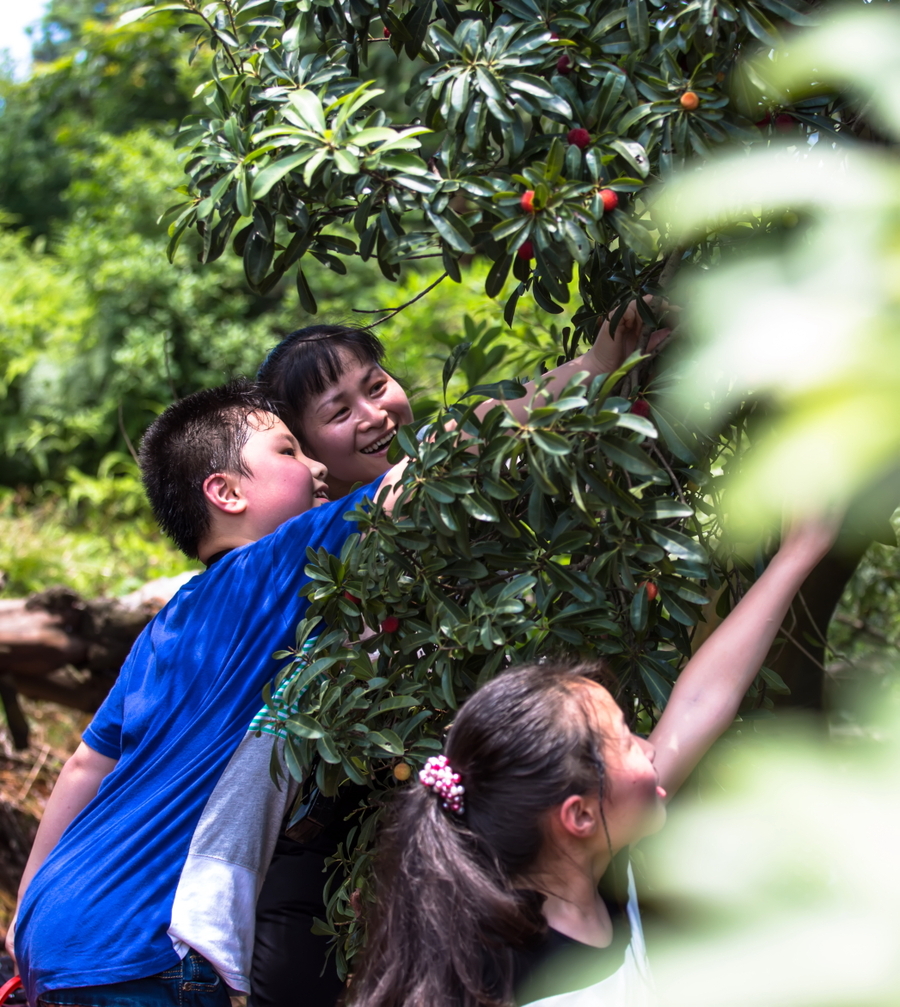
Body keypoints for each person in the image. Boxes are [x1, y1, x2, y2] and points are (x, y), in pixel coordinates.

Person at [247, 306, 671, 1007]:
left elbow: (480, 432)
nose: (373, 412)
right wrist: (594, 367)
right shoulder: (327, 543)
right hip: (341, 847)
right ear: (307, 448)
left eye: (376, 383)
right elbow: (475, 432)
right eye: (338, 408)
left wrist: (603, 368)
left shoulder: (463, 494)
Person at [7, 380, 418, 1007]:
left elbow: (86, 764)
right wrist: (589, 368)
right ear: (225, 492)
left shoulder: (168, 625)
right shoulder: (270, 572)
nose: (314, 465)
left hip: (57, 926)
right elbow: (437, 466)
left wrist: (27, 907)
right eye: (287, 451)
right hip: (139, 950)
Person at [345, 516, 838, 1007]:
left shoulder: (592, 869)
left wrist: (799, 550)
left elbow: (699, 704)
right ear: (577, 815)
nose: (652, 746)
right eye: (627, 741)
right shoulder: (506, 980)